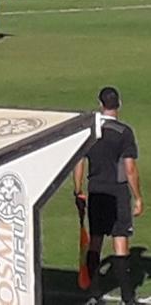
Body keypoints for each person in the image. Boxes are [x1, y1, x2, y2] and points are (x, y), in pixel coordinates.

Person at [74, 87, 143, 305]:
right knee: (120, 241)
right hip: (118, 192)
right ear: (119, 104)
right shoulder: (124, 132)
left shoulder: (90, 132)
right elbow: (129, 168)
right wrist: (138, 197)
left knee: (96, 241)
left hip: (96, 190)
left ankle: (94, 294)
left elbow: (78, 162)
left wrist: (78, 190)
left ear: (100, 103)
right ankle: (127, 297)